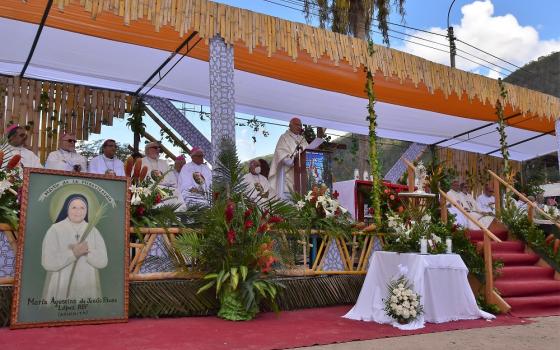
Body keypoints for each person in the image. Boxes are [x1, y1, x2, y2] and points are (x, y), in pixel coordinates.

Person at [41, 194, 107, 300]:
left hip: (87, 287)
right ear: (66, 209)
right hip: (60, 288)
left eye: (82, 208)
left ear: (87, 210)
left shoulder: (93, 231)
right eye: (74, 207)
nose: (78, 211)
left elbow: (103, 261)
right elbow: (48, 262)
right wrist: (73, 254)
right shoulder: (55, 230)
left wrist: (87, 251)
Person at [268, 117, 308, 199]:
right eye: (297, 125)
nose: (299, 127)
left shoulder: (302, 139)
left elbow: (308, 153)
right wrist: (293, 157)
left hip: (302, 174)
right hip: (288, 174)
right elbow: (281, 153)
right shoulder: (284, 137)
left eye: (300, 125)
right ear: (290, 125)